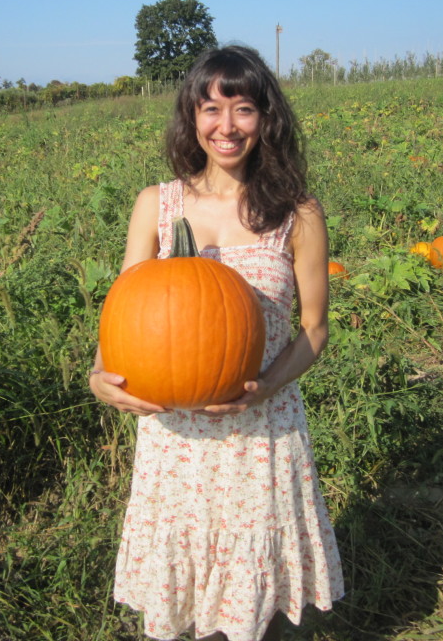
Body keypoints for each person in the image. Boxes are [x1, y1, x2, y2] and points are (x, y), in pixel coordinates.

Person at [89, 45, 344, 641]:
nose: (226, 126)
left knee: (260, 609)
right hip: (175, 442)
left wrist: (266, 389)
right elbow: (126, 316)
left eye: (244, 109)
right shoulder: (157, 206)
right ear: (191, 117)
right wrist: (100, 377)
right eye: (211, 109)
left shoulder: (297, 214)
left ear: (266, 119)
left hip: (262, 432)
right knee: (185, 611)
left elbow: (315, 329)